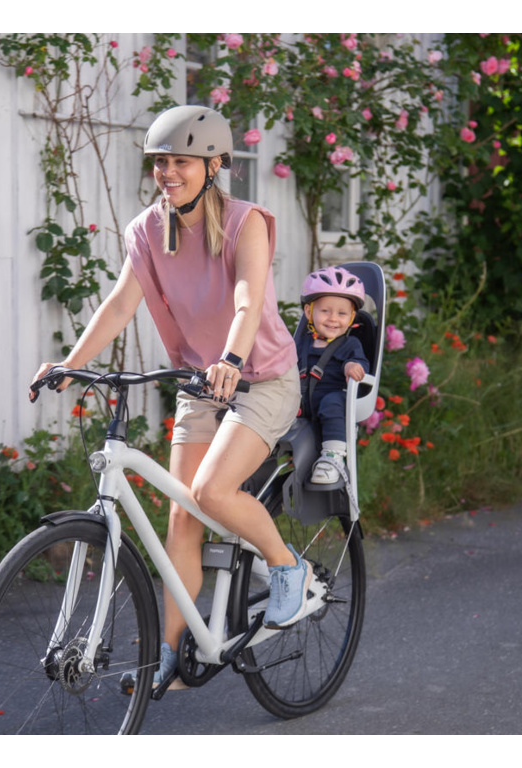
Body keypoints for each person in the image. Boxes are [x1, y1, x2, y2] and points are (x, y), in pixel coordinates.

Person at [30, 105, 309, 688]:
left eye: (181, 161)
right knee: (182, 517)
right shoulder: (147, 231)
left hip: (260, 376)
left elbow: (247, 299)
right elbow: (120, 304)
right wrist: (71, 364)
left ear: (213, 166)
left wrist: (231, 359)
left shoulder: (246, 223)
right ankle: (173, 655)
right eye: (160, 162)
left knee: (212, 491)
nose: (168, 172)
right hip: (202, 383)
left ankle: (287, 567)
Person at [295, 267, 371, 484]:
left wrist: (352, 366)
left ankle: (332, 456)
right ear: (309, 311)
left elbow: (361, 363)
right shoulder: (301, 343)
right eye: (325, 311)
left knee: (333, 402)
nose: (333, 319)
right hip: (301, 401)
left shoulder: (350, 344)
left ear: (352, 317)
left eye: (341, 313)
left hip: (332, 398)